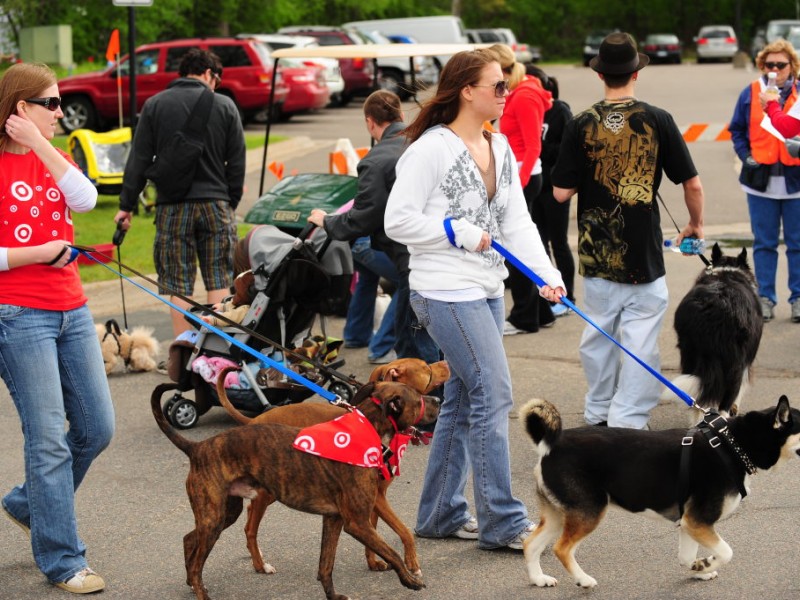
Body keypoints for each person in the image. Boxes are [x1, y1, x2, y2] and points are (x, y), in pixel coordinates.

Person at [384, 49, 566, 550]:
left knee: (464, 400)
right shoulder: (430, 149)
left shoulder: (500, 146)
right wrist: (454, 231)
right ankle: (503, 522)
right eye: (498, 85)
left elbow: (517, 223)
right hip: (442, 290)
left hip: (486, 290)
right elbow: (396, 220)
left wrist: (547, 275)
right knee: (494, 393)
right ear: (468, 91)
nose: (507, 93)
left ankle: (440, 514)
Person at [551, 32, 704, 429]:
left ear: (600, 74)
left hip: (596, 252)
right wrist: (695, 225)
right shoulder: (658, 119)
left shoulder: (580, 123)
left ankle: (598, 412)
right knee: (640, 341)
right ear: (636, 72)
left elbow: (561, 191)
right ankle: (628, 420)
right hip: (644, 253)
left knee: (599, 335)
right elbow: (692, 183)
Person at [0, 63, 115, 594]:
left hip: (71, 308)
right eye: (49, 102)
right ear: (19, 108)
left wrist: (40, 146)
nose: (59, 110)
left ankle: (29, 504)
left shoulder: (54, 155)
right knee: (48, 439)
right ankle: (64, 560)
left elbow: (86, 200)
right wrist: (38, 252)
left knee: (96, 428)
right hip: (18, 315)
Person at [116, 48, 245, 337]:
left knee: (178, 284)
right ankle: (215, 355)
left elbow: (138, 158)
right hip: (216, 204)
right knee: (218, 281)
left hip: (172, 207)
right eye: (218, 78)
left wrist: (126, 205)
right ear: (209, 73)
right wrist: (229, 202)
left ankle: (182, 355)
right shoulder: (225, 106)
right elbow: (236, 163)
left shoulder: (155, 105)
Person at [308, 89, 439, 364]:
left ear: (370, 122)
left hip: (411, 259)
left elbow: (364, 216)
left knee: (412, 342)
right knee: (428, 334)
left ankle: (433, 397)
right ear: (401, 115)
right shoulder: (427, 142)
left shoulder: (375, 160)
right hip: (440, 248)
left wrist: (327, 221)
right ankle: (359, 336)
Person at [730, 39, 800, 322]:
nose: (774, 69)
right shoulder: (751, 92)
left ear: (791, 67)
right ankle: (765, 298)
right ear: (762, 66)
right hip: (760, 182)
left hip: (796, 182)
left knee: (797, 244)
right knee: (764, 243)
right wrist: (745, 154)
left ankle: (798, 298)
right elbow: (736, 129)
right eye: (769, 64)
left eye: (780, 65)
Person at [491, 43, 556, 335]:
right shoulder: (517, 92)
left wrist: (520, 182)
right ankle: (541, 313)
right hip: (520, 175)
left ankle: (524, 316)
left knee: (516, 247)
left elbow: (533, 146)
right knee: (529, 244)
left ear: (502, 70)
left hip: (523, 176)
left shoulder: (526, 95)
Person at [527, 65, 576, 316]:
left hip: (555, 188)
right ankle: (546, 297)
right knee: (540, 245)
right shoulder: (529, 110)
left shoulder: (560, 111)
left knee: (559, 243)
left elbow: (568, 150)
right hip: (535, 188)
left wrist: (538, 148)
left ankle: (569, 297)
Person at [344, 236, 399, 364]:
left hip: (356, 241)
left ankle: (356, 336)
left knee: (367, 279)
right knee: (409, 282)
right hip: (373, 244)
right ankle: (382, 348)